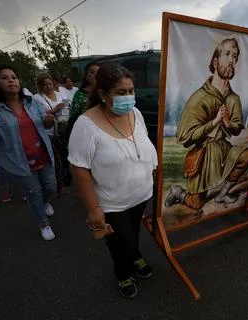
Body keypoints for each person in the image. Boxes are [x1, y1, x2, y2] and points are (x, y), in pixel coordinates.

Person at [69, 63, 158, 299]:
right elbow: (79, 169)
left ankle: (136, 255)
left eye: (131, 90)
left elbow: (142, 145)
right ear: (103, 94)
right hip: (111, 202)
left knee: (134, 231)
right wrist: (93, 208)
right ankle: (123, 273)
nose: (129, 97)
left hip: (140, 194)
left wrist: (152, 170)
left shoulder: (135, 114)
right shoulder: (86, 125)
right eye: (121, 92)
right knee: (120, 242)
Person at [165, 37, 248, 212]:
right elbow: (185, 137)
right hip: (204, 155)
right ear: (215, 62)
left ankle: (222, 194)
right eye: (228, 54)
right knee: (196, 204)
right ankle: (178, 191)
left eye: (235, 56)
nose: (232, 60)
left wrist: (228, 123)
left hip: (224, 150)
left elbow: (236, 129)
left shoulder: (233, 99)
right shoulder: (199, 98)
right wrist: (214, 122)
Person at [0, 65, 58, 240]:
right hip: (19, 161)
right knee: (33, 193)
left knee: (50, 188)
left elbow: (44, 125)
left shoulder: (32, 101)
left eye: (13, 77)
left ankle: (44, 202)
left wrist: (49, 120)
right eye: (5, 78)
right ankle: (43, 223)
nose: (11, 80)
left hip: (43, 154)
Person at [34, 73, 70, 188]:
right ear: (40, 86)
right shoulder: (37, 98)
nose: (48, 86)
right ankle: (57, 180)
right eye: (44, 85)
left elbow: (68, 106)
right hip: (49, 132)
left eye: (50, 83)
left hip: (63, 128)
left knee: (65, 154)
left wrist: (67, 108)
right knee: (54, 156)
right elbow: (37, 115)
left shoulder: (61, 94)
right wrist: (54, 110)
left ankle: (66, 176)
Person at [67, 62, 99, 136]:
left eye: (99, 72)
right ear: (86, 76)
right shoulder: (79, 94)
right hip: (84, 133)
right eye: (92, 72)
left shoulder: (105, 93)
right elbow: (73, 118)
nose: (96, 75)